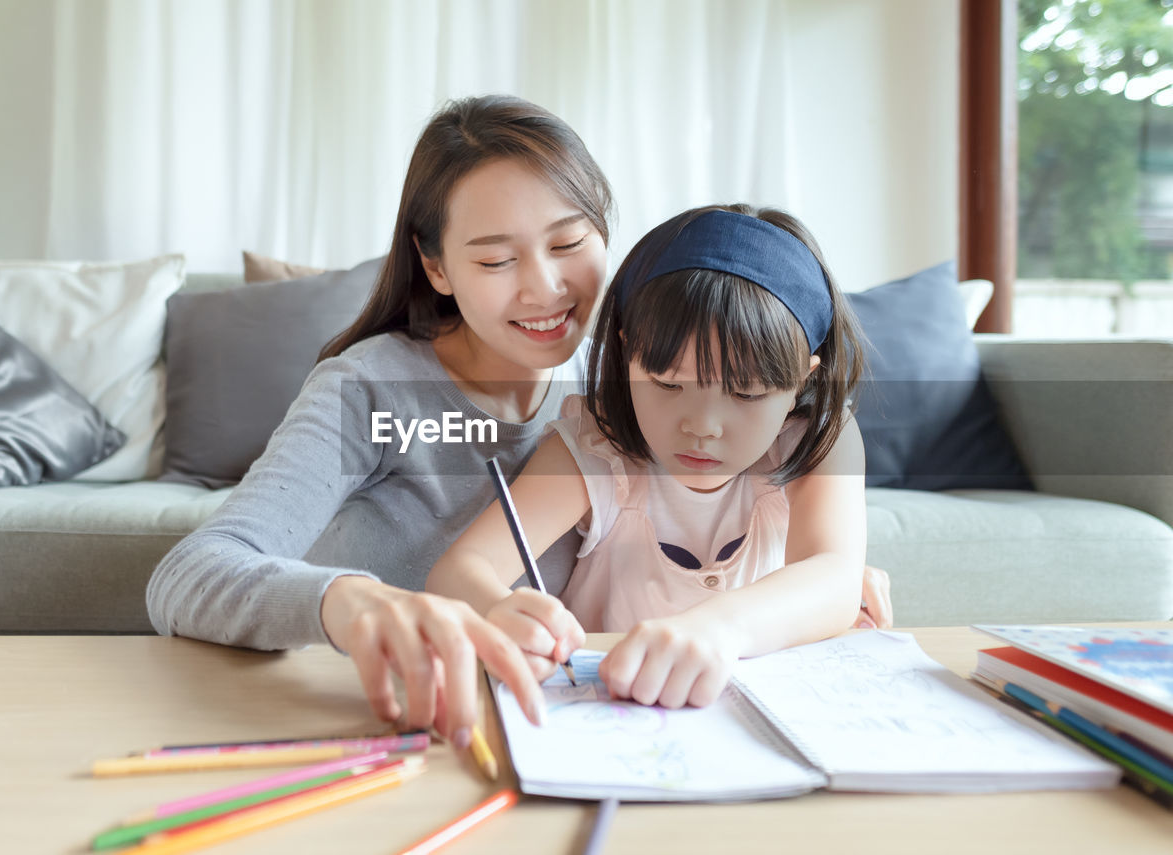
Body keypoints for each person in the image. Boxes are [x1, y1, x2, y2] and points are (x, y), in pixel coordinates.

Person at [148, 96, 892, 747]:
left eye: (568, 243)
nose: (545, 289)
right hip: (369, 716)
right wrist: (347, 600)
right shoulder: (372, 391)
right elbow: (190, 573)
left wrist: (804, 588)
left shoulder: (627, 377)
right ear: (436, 267)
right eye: (497, 259)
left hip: (550, 717)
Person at [426, 203, 869, 710]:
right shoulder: (595, 451)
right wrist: (499, 610)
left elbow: (835, 576)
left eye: (746, 394)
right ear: (627, 351)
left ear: (801, 382)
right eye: (667, 383)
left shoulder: (817, 438)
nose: (702, 426)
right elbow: (458, 571)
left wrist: (716, 629)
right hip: (608, 716)